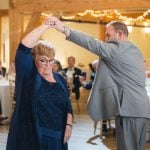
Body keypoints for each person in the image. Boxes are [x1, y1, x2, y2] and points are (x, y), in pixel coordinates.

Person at [46, 17, 150, 150]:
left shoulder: (117, 49)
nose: (105, 39)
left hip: (129, 110)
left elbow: (91, 43)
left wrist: (64, 29)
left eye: (108, 35)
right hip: (142, 109)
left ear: (119, 34)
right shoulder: (135, 50)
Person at [6, 19, 73, 150]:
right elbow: (24, 47)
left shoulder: (60, 79)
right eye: (43, 60)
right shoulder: (28, 76)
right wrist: (45, 26)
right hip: (34, 137)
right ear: (34, 60)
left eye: (51, 61)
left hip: (58, 136)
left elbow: (67, 106)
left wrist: (68, 126)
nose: (48, 65)